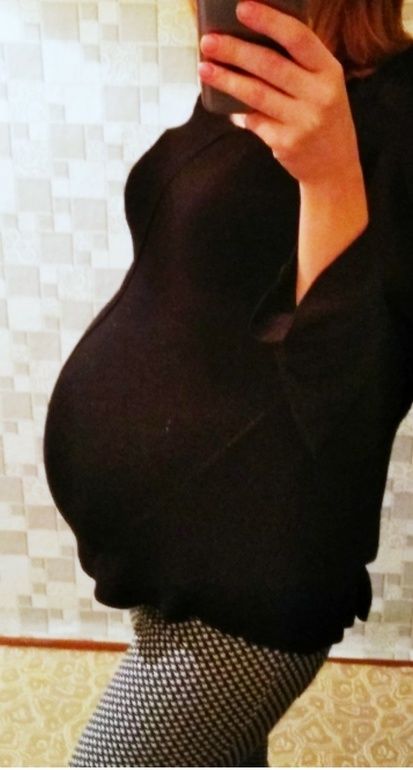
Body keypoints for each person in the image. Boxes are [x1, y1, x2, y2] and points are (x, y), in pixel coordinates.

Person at [43, 0, 413, 766]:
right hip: (181, 567)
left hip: (245, 603)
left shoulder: (398, 108)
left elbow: (353, 405)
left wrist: (329, 177)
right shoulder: (250, 84)